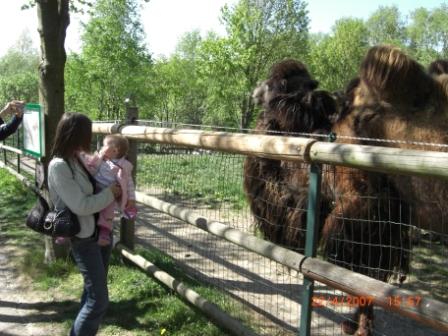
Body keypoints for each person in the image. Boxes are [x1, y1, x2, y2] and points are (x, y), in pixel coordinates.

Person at [48, 113, 122, 336]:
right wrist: (110, 194)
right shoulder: (59, 166)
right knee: (98, 300)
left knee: (92, 294)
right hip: (83, 237)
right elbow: (80, 205)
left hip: (99, 233)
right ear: (77, 134)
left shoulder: (77, 159)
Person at [79, 134, 137, 246]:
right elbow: (90, 163)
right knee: (83, 205)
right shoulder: (101, 158)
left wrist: (131, 199)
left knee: (108, 212)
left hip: (110, 192)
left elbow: (129, 183)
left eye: (104, 145)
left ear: (114, 150)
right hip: (94, 187)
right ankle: (66, 228)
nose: (101, 147)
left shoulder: (124, 166)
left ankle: (104, 232)